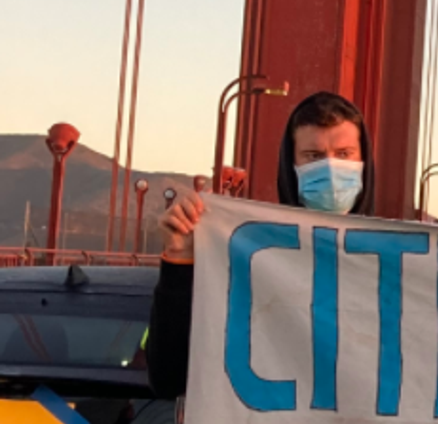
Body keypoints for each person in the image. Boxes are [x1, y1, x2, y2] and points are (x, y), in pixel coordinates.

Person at [147, 91, 374, 397]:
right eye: (314, 157)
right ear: (291, 165)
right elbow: (169, 376)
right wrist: (179, 260)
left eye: (344, 154)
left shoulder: (408, 267)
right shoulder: (245, 256)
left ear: (364, 161)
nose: (331, 170)